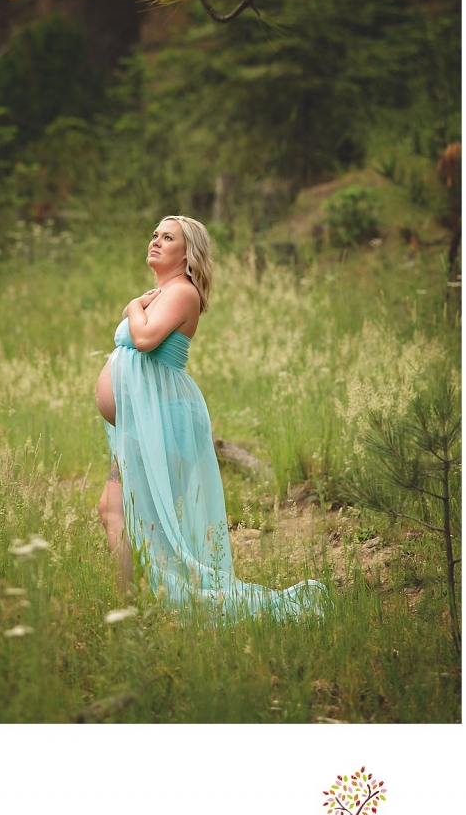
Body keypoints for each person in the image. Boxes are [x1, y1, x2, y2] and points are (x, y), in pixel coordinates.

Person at [95, 215, 326, 621]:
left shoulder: (182, 293)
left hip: (163, 420)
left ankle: (145, 611)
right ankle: (130, 609)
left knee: (143, 521)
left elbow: (146, 341)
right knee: (112, 510)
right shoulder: (163, 292)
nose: (155, 241)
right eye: (154, 235)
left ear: (188, 255)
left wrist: (132, 306)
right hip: (141, 422)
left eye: (168, 238)